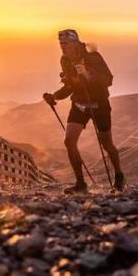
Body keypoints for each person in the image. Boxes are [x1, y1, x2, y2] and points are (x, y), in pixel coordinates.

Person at [43, 29, 126, 194]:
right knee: (69, 141)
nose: (62, 47)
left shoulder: (93, 57)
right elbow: (69, 86)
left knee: (106, 143)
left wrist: (89, 76)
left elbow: (108, 80)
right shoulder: (65, 60)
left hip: (99, 103)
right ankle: (80, 183)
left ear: (75, 43)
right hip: (80, 103)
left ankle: (119, 176)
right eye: (60, 43)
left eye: (65, 43)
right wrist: (55, 96)